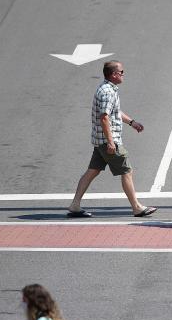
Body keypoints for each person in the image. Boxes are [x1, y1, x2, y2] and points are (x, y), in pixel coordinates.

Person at [67, 60, 156, 218]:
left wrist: (132, 122)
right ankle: (136, 207)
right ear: (114, 74)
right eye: (121, 72)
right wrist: (110, 142)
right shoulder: (107, 92)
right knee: (127, 171)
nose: (123, 75)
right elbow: (104, 118)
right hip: (108, 141)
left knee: (92, 171)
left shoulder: (107, 88)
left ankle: (75, 205)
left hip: (100, 140)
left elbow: (114, 112)